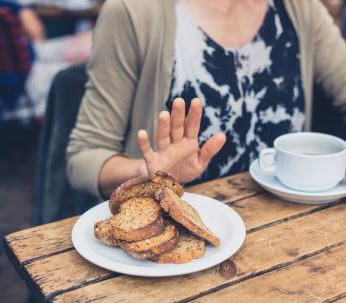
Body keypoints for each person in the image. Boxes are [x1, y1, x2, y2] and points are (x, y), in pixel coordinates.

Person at [67, 0, 346, 200]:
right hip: (180, 243)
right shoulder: (132, 11)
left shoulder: (301, 8)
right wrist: (145, 171)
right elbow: (84, 157)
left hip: (290, 229)